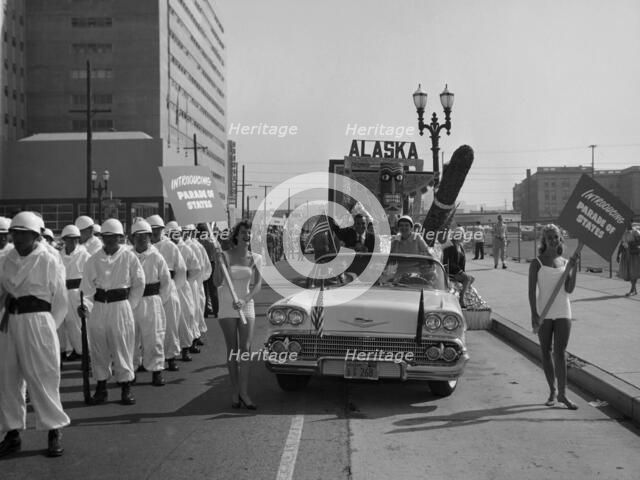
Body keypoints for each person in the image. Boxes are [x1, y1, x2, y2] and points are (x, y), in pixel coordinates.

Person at [0, 211, 70, 457]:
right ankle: (12, 433)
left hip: (38, 321)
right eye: (15, 234)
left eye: (23, 235)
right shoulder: (5, 258)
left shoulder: (49, 259)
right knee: (7, 378)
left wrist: (48, 326)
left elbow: (60, 300)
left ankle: (54, 430)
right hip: (10, 322)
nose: (17, 239)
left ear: (35, 236)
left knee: (43, 376)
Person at [80, 218, 145, 405]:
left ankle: (126, 387)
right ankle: (101, 388)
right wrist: (85, 305)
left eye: (114, 237)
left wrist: (129, 305)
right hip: (99, 306)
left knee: (122, 346)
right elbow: (86, 287)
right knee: (99, 347)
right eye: (106, 237)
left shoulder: (129, 257)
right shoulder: (93, 259)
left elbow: (138, 283)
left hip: (120, 305)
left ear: (120, 238)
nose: (110, 241)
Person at [528, 224, 580, 410]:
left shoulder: (565, 262)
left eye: (555, 236)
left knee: (561, 353)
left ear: (560, 239)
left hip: (563, 310)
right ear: (544, 240)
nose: (552, 239)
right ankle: (552, 391)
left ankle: (564, 395)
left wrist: (573, 270)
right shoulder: (537, 263)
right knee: (545, 351)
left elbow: (569, 289)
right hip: (544, 312)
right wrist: (533, 313)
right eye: (549, 237)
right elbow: (531, 291)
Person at [213, 220, 262, 410]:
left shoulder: (256, 258)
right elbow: (217, 282)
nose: (246, 235)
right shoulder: (225, 255)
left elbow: (257, 284)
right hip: (227, 304)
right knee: (233, 349)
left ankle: (244, 392)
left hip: (246, 304)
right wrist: (218, 264)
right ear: (236, 235)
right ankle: (235, 392)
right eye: (243, 232)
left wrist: (246, 299)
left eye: (249, 232)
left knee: (246, 349)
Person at [130, 220, 171, 386]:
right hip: (131, 301)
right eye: (138, 236)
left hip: (151, 300)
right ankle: (130, 371)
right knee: (130, 338)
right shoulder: (127, 256)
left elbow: (166, 282)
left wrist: (159, 300)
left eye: (145, 236)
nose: (142, 240)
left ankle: (156, 370)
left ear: (150, 237)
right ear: (132, 238)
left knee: (154, 337)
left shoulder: (156, 256)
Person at [148, 215, 186, 371]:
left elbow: (181, 269)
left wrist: (173, 287)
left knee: (170, 325)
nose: (156, 232)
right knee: (151, 328)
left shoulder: (170, 246)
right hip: (151, 291)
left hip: (169, 288)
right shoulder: (144, 247)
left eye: (158, 229)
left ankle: (171, 357)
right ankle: (151, 359)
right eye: (153, 229)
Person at [165, 221, 200, 361]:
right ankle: (169, 353)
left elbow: (196, 268)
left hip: (183, 288)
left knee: (185, 317)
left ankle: (185, 349)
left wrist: (186, 282)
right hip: (168, 288)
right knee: (170, 322)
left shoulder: (186, 249)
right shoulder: (165, 248)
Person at [58, 224, 92, 361]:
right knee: (65, 325)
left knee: (80, 325)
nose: (72, 242)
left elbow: (90, 277)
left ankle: (87, 353)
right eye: (69, 239)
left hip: (78, 294)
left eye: (75, 239)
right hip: (63, 292)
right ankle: (73, 350)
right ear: (64, 239)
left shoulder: (85, 255)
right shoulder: (58, 255)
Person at [442, 227, 474, 307]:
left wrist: (462, 272)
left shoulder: (460, 247)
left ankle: (461, 294)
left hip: (458, 271)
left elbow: (462, 262)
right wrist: (460, 272)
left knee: (471, 278)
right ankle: (461, 299)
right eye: (458, 234)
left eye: (462, 235)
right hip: (451, 272)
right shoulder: (450, 245)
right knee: (467, 278)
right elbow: (448, 262)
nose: (461, 236)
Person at [616, 220, 640, 296]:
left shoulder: (635, 232)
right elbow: (621, 244)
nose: (627, 224)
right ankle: (634, 290)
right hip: (625, 255)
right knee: (629, 273)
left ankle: (632, 290)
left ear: (631, 222)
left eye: (628, 222)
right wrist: (618, 254)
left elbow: (639, 242)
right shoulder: (623, 233)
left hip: (633, 254)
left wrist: (630, 244)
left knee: (634, 272)